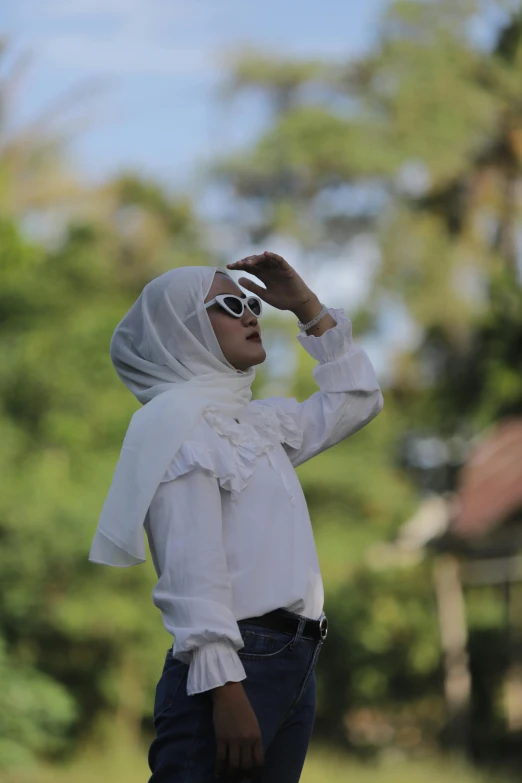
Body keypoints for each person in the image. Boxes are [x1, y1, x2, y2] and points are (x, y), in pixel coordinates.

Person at [88, 251, 384, 782]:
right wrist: (225, 690)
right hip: (235, 667)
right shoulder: (177, 427)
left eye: (250, 302)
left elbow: (356, 400)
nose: (251, 313)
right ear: (182, 333)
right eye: (229, 304)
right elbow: (191, 571)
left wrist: (307, 308)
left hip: (296, 659)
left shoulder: (254, 422)